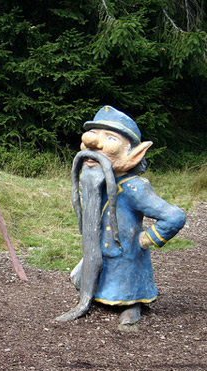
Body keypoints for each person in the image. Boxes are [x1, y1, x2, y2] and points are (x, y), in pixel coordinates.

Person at [65, 105, 186, 328]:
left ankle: (131, 305)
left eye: (109, 138)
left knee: (127, 281)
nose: (91, 142)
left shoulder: (134, 188)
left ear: (134, 153)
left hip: (126, 255)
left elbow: (174, 216)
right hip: (100, 254)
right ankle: (95, 293)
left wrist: (146, 239)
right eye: (92, 134)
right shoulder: (95, 182)